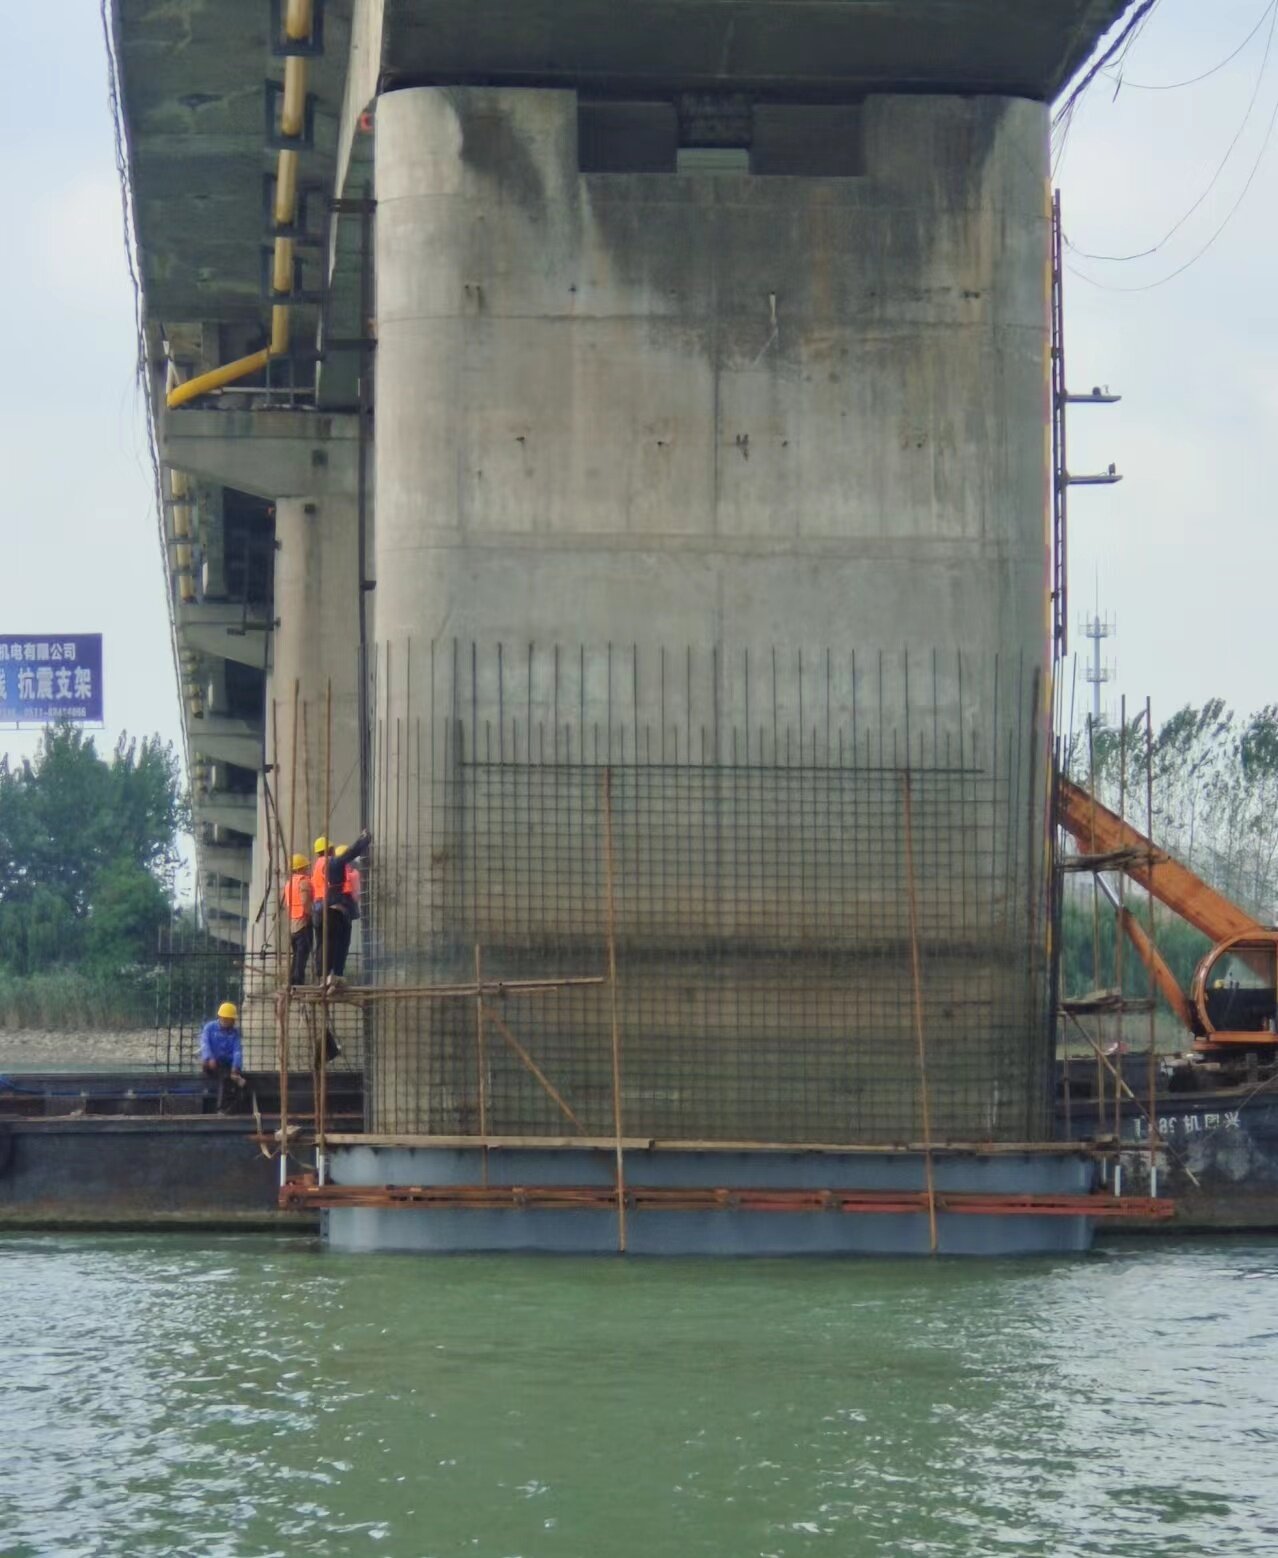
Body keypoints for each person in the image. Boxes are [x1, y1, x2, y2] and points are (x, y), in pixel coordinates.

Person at [312, 829, 373, 987]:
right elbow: (352, 853)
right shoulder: (333, 863)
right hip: (335, 909)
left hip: (318, 909)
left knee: (322, 944)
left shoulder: (317, 867)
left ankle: (322, 976)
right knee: (338, 944)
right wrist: (364, 839)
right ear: (330, 850)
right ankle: (335, 975)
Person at [199, 1001, 247, 1112]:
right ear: (222, 1018)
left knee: (225, 1077)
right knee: (224, 1076)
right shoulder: (209, 1028)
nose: (232, 1022)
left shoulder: (234, 1033)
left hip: (226, 1065)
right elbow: (204, 1044)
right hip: (211, 1063)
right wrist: (209, 1058)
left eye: (233, 1019)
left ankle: (222, 1107)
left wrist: (236, 1066)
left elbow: (237, 1051)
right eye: (230, 1019)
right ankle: (222, 1107)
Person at [283, 852, 314, 986]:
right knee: (302, 954)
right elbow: (305, 902)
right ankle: (298, 980)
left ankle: (293, 979)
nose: (308, 869)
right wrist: (312, 915)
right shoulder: (304, 882)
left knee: (296, 954)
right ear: (300, 868)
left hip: (293, 923)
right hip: (303, 922)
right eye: (306, 867)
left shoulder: (289, 884)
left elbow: (288, 904)